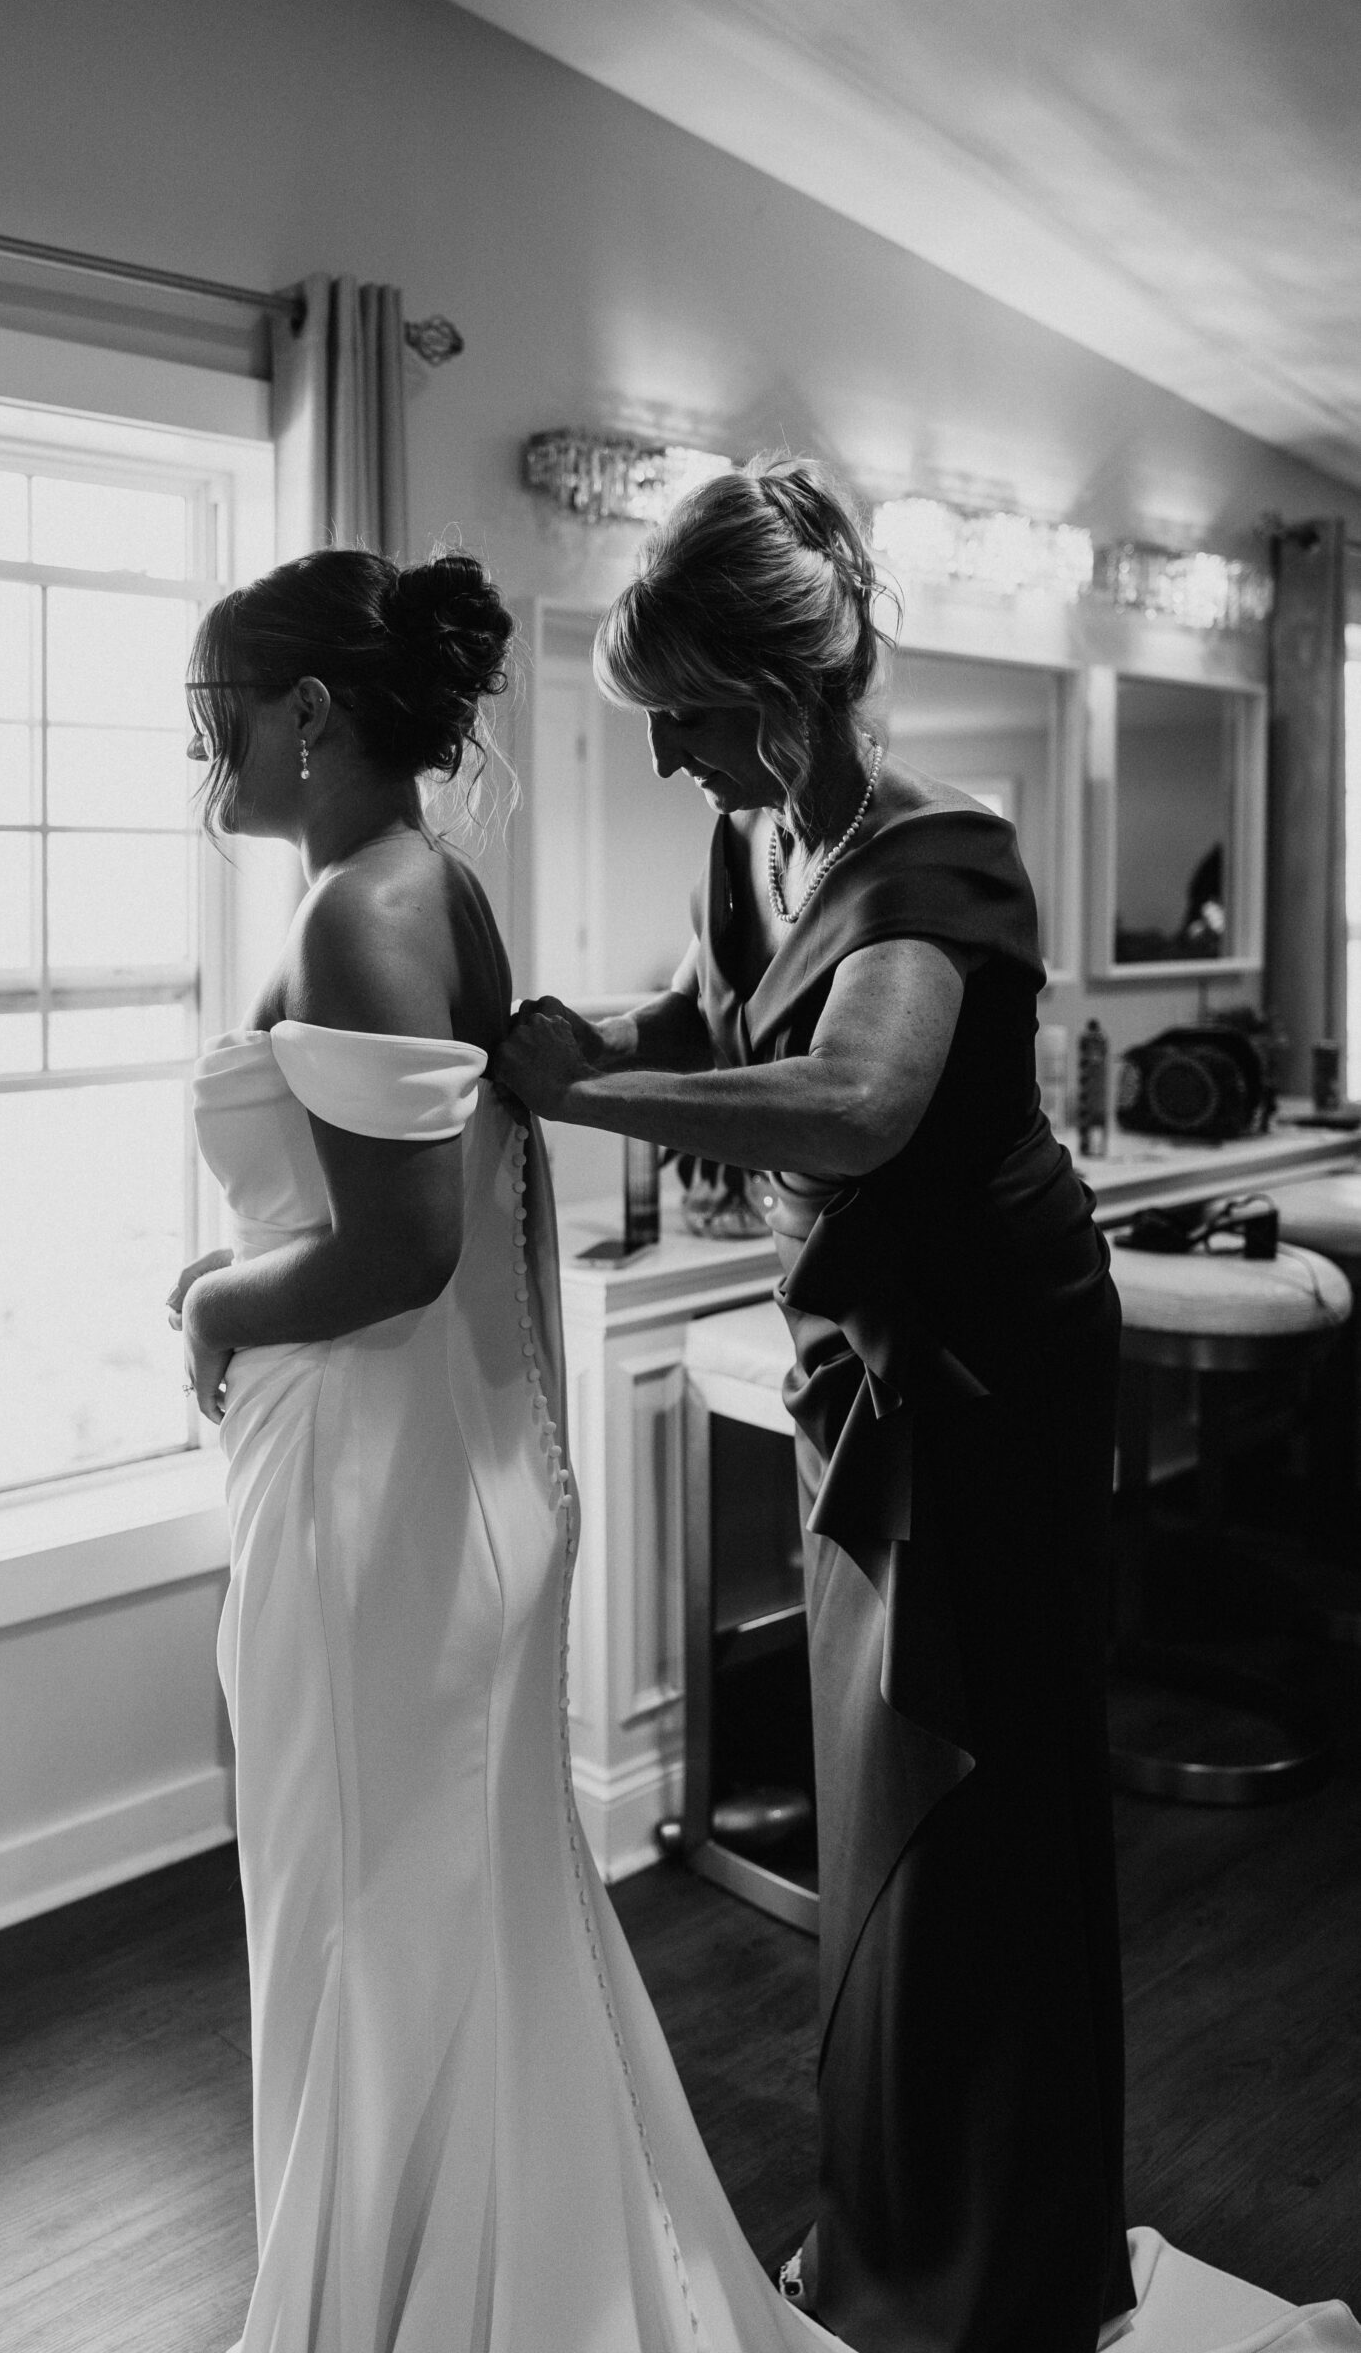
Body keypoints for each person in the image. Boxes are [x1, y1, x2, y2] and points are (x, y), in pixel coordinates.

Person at [492, 456, 1134, 2353]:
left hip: (995, 1374)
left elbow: (860, 1100)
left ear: (771, 694)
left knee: (984, 1806)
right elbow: (710, 1023)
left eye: (685, 715)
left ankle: (1000, 2277)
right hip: (862, 1356)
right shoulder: (750, 845)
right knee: (881, 1807)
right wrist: (561, 1043)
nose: (670, 753)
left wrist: (588, 1103)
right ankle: (897, 2236)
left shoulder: (948, 858)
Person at [172, 547, 825, 2353]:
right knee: (429, 1922)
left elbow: (404, 1247)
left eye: (218, 707)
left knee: (367, 1921)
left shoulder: (353, 911)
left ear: (310, 714)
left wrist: (218, 1306)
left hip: (376, 1493)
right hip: (435, 1470)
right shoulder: (430, 887)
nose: (205, 744)